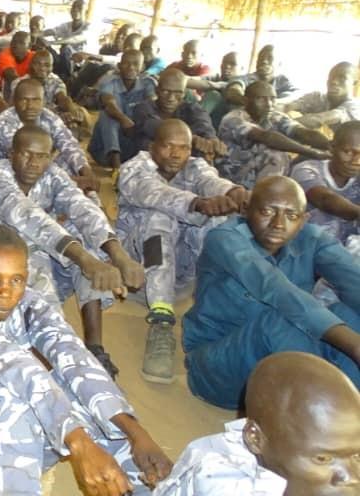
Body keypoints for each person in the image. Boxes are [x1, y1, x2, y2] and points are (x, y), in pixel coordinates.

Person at [0, 224, 172, 496]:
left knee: (73, 387)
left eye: (16, 280)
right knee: (15, 395)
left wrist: (135, 432)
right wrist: (79, 443)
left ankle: (135, 484)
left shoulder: (30, 302)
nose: (6, 291)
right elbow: (12, 364)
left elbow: (73, 355)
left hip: (11, 443)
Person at [0, 126, 145, 376]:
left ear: (51, 157)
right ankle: (53, 349)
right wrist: (86, 260)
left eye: (41, 156)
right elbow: (30, 217)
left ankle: (94, 348)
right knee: (42, 252)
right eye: (26, 154)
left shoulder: (53, 174)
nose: (33, 163)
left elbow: (82, 207)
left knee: (86, 241)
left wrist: (118, 255)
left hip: (38, 257)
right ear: (11, 154)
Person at [183, 176, 360, 409]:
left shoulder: (313, 239)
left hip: (283, 352)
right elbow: (275, 288)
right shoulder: (225, 239)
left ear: (304, 220)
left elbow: (353, 281)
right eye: (267, 211)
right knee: (279, 321)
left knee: (347, 315)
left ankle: (347, 407)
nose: (278, 223)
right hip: (218, 365)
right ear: (246, 210)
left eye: (291, 215)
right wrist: (354, 345)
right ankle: (323, 410)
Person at [116, 120, 249, 384]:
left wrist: (235, 193)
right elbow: (155, 193)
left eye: (184, 148)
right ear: (153, 146)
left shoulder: (193, 166)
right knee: (159, 218)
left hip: (181, 276)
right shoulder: (134, 168)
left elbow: (211, 180)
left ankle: (214, 312)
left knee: (218, 224)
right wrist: (199, 203)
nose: (176, 155)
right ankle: (161, 322)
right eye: (168, 147)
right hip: (138, 273)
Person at [153, 352, 360, 495]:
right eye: (323, 458)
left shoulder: (278, 443)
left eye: (357, 456)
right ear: (254, 437)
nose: (351, 477)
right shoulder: (221, 483)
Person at [0, 78, 99, 192]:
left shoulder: (48, 116)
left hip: (40, 169)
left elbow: (69, 144)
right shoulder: (5, 122)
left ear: (43, 102)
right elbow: (27, 162)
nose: (30, 105)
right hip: (11, 174)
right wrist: (72, 181)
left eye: (36, 100)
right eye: (24, 100)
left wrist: (86, 171)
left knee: (72, 161)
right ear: (14, 101)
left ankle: (92, 200)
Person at [218, 80, 331, 188]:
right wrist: (312, 152)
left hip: (259, 171)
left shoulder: (275, 116)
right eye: (261, 99)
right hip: (232, 175)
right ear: (246, 101)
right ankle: (261, 200)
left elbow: (303, 133)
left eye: (272, 99)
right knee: (276, 156)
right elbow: (267, 137)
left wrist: (331, 147)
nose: (269, 104)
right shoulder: (233, 119)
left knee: (310, 158)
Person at [131, 68, 227, 161]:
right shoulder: (143, 108)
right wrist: (191, 139)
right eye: (165, 91)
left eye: (178, 93)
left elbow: (203, 122)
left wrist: (211, 140)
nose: (171, 98)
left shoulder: (191, 108)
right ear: (157, 90)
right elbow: (156, 127)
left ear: (184, 93)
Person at [291, 120, 360, 245]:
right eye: (349, 152)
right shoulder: (306, 170)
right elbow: (325, 199)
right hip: (310, 247)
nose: (357, 161)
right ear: (332, 147)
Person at [89, 48, 158, 170]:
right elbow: (109, 103)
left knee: (149, 119)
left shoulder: (147, 83)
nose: (131, 67)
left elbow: (152, 103)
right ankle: (116, 168)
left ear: (142, 67)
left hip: (132, 147)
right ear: (119, 66)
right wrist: (124, 120)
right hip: (104, 150)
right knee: (108, 115)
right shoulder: (109, 81)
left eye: (136, 64)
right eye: (126, 63)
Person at [284, 61, 360, 129]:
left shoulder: (355, 107)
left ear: (354, 83)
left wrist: (282, 124)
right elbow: (288, 106)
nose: (334, 81)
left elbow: (321, 118)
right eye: (331, 76)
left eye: (342, 78)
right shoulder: (317, 97)